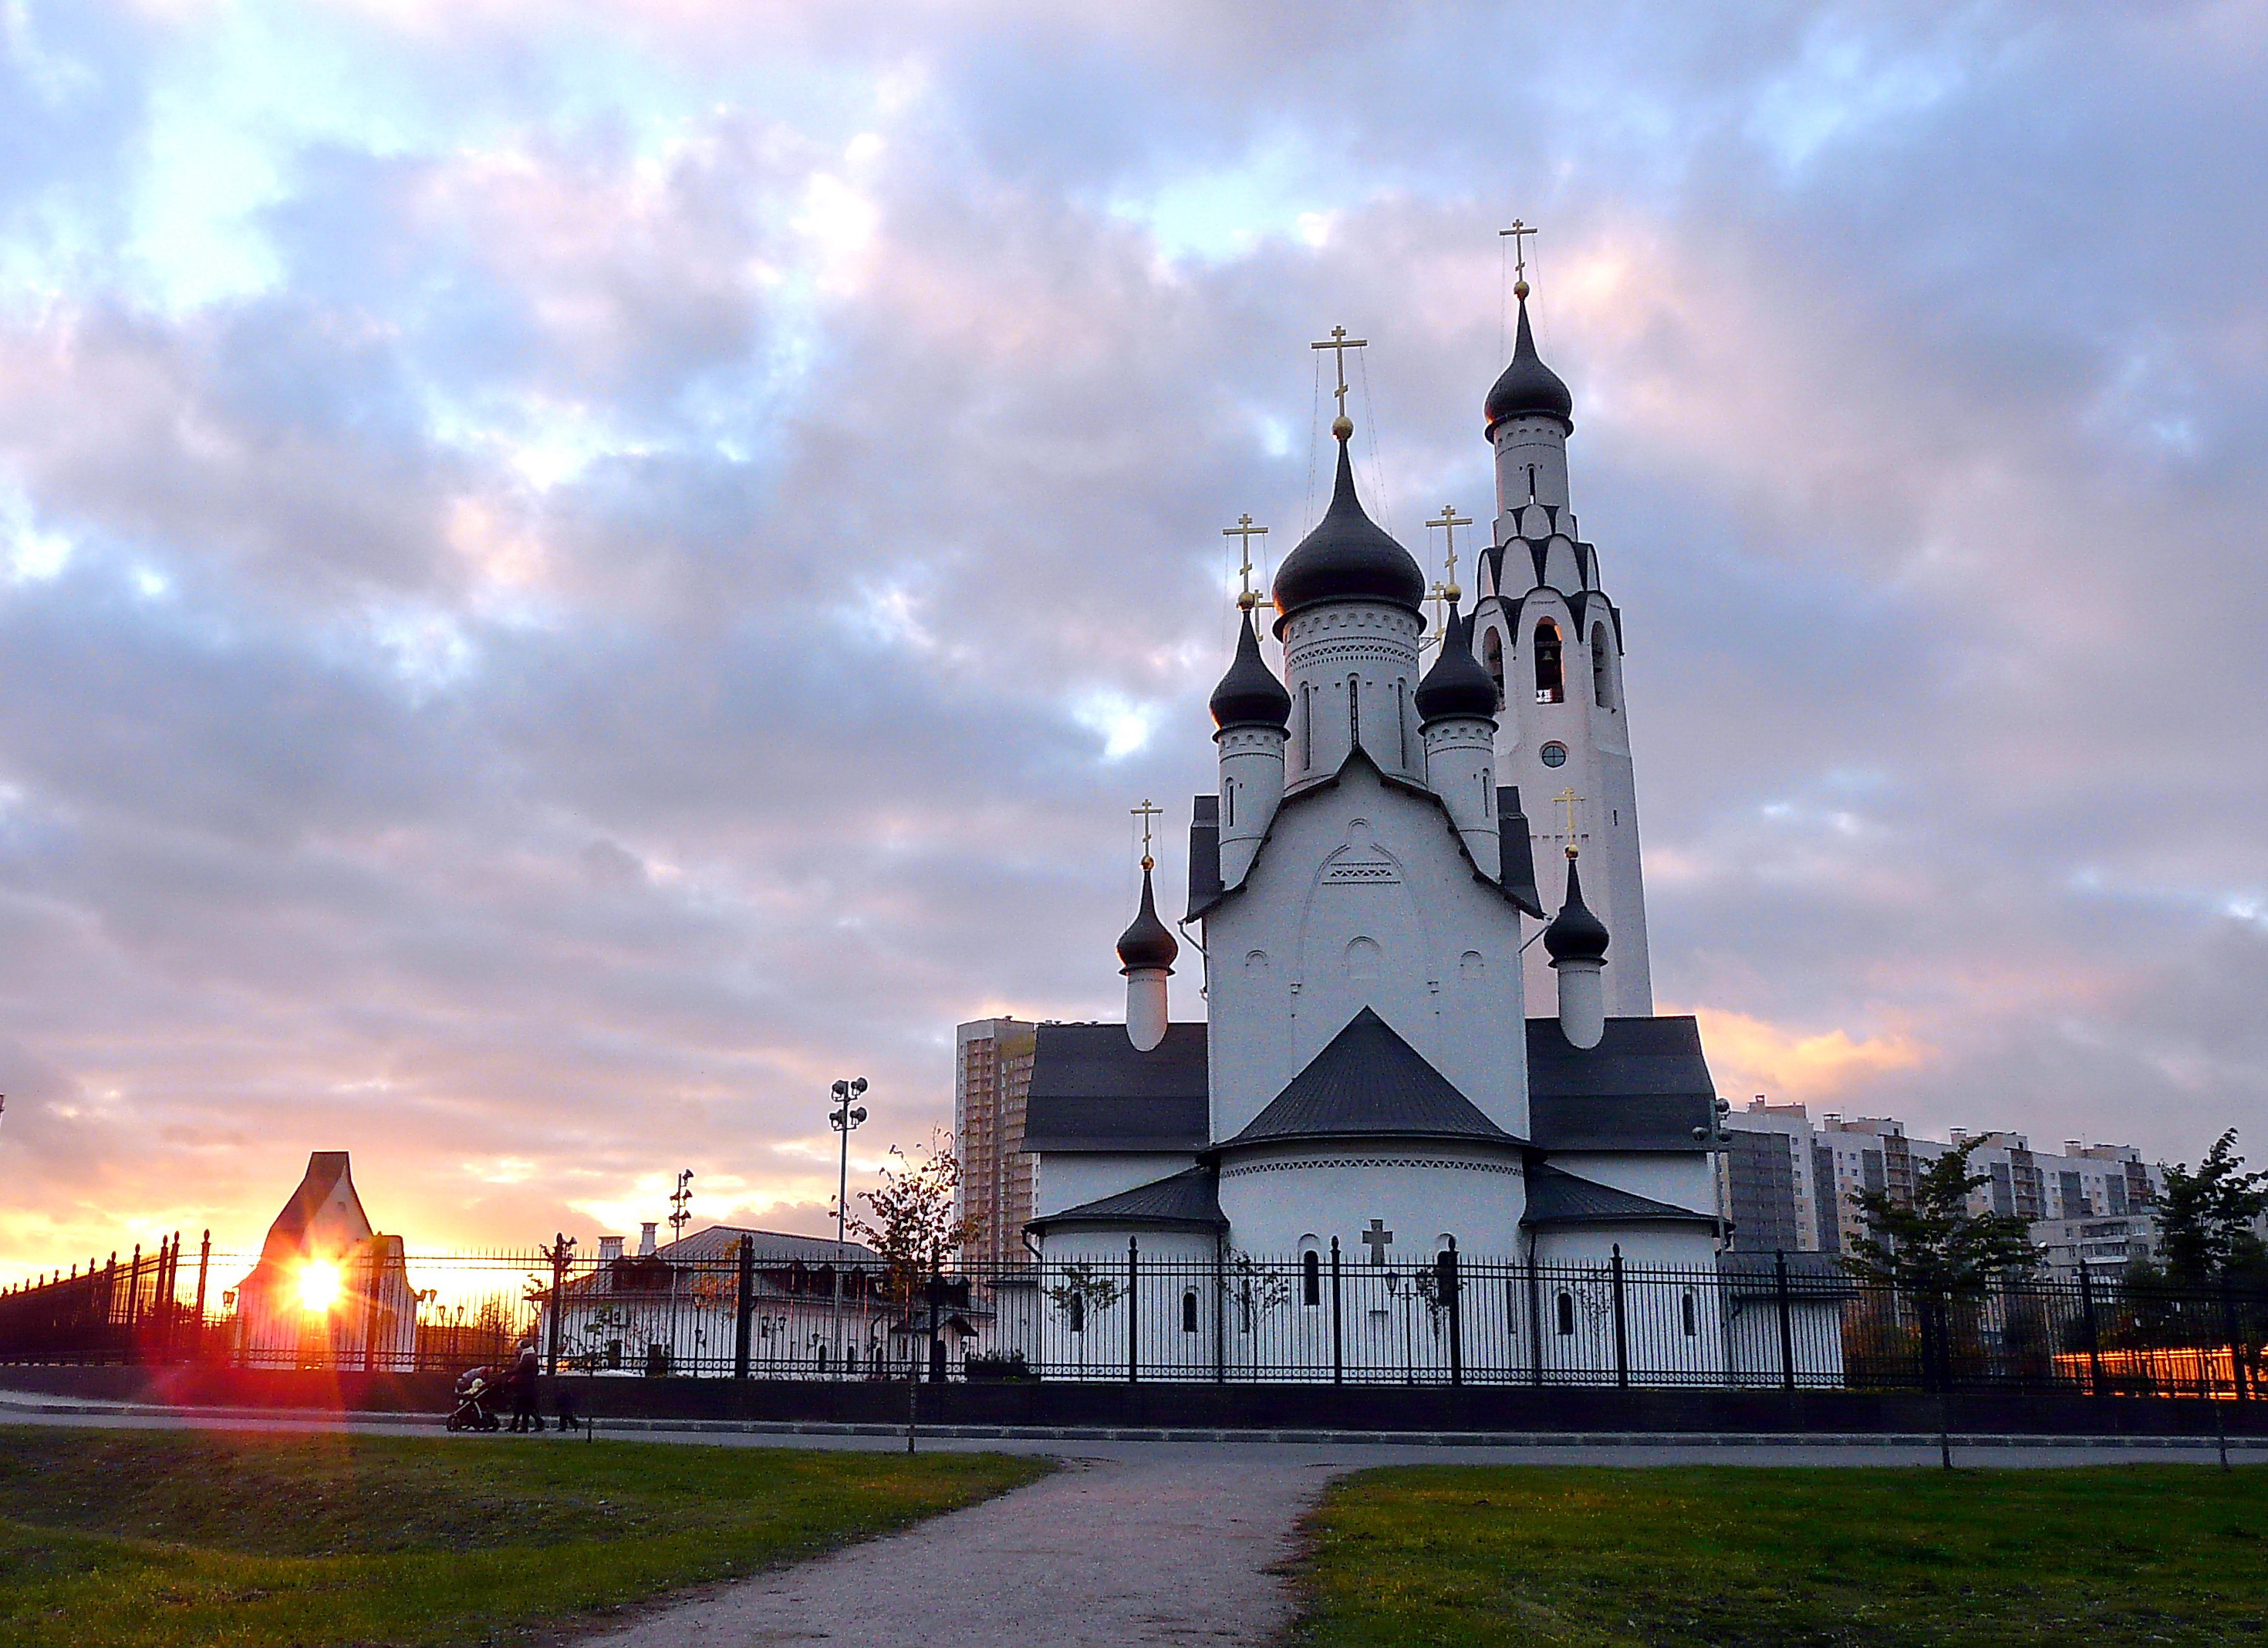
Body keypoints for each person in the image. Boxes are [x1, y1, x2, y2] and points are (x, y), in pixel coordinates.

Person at [508, 1344, 542, 1433]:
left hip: (525, 1386)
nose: (516, 1351)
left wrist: (508, 1373)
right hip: (528, 1385)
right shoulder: (530, 1356)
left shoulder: (526, 1358)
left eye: (518, 1348)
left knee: (524, 1407)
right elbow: (536, 1371)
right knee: (525, 1407)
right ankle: (516, 1425)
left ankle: (524, 1426)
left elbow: (520, 1370)